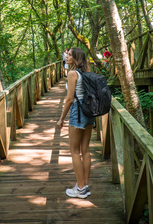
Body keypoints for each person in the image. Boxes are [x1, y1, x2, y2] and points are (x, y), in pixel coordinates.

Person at [56, 48, 95, 199]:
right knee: (85, 150)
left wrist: (61, 118)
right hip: (89, 114)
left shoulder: (72, 74)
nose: (67, 55)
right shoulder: (86, 73)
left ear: (76, 58)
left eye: (70, 54)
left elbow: (70, 99)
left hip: (77, 113)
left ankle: (80, 188)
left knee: (74, 151)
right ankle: (84, 186)